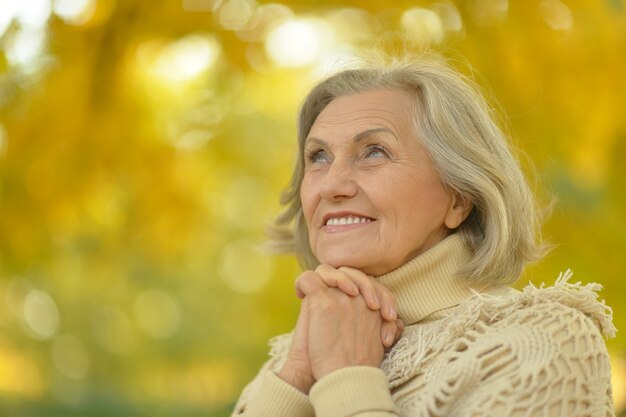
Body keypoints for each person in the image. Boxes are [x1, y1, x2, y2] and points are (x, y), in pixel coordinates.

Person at [231, 54, 616, 417]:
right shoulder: (285, 362)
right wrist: (297, 379)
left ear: (459, 199)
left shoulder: (544, 341)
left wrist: (344, 378)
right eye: (318, 157)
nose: (331, 186)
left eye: (374, 152)